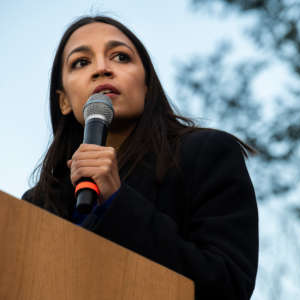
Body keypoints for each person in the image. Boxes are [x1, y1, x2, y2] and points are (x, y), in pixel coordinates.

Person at [22, 15, 258, 300]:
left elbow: (228, 286)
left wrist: (117, 203)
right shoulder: (37, 205)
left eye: (120, 57)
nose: (102, 69)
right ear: (63, 100)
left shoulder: (206, 153)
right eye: (81, 62)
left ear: (147, 86)